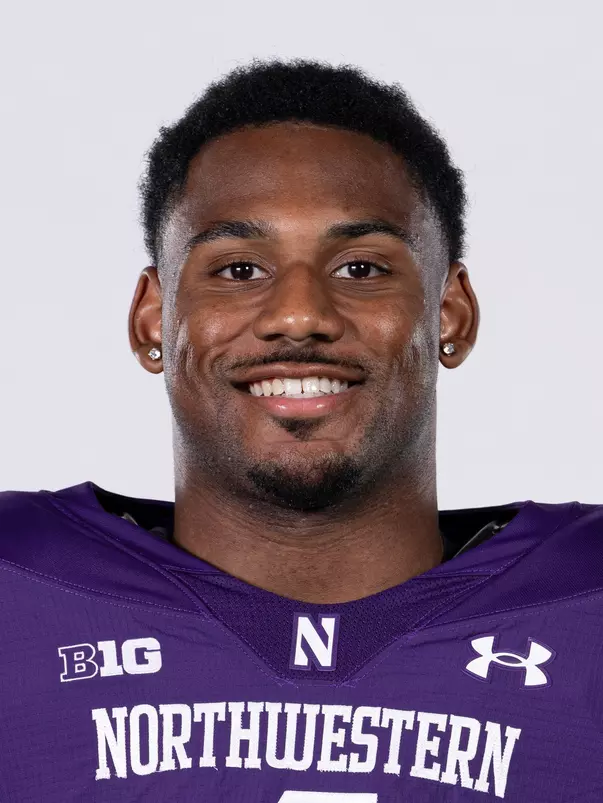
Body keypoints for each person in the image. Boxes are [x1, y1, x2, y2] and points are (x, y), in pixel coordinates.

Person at [1, 59, 601, 803]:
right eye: (238, 268)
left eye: (359, 267)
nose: (298, 314)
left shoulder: (584, 605)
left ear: (449, 316)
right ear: (154, 320)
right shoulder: (19, 588)